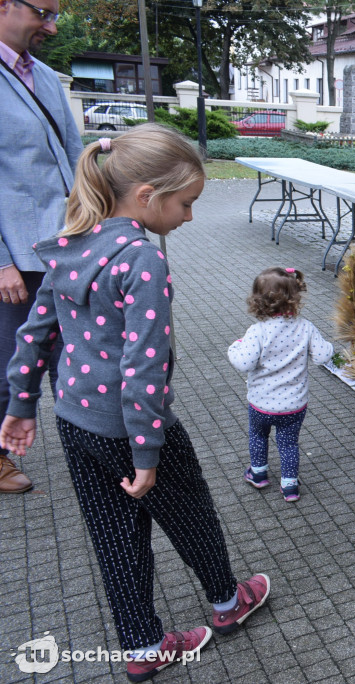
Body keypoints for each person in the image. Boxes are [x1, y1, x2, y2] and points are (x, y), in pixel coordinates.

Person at [0, 124, 269, 682]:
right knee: (190, 514)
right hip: (133, 431)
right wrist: (148, 454)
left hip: (76, 424)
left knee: (113, 537)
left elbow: (36, 331)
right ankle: (227, 603)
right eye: (187, 203)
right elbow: (144, 370)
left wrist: (22, 402)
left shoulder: (72, 243)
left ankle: (144, 645)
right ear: (147, 197)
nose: (191, 216)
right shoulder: (142, 260)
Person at [0, 0, 82, 493]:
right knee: (9, 363)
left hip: (63, 246)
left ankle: (87, 448)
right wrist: (1, 261)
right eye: (43, 13)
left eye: (56, 17)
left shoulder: (46, 77)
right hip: (15, 259)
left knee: (70, 360)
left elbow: (75, 155)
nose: (51, 27)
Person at [228, 267, 333, 502]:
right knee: (288, 444)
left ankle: (259, 473)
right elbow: (323, 357)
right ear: (295, 297)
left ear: (258, 301)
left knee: (257, 435)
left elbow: (244, 362)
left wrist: (234, 346)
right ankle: (289, 486)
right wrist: (331, 348)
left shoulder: (257, 332)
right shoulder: (305, 327)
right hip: (294, 405)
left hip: (261, 404)